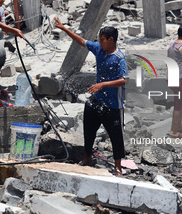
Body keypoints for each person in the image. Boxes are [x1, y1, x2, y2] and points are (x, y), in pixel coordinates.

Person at [54, 17, 128, 175]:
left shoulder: (119, 58)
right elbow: (81, 41)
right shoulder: (99, 49)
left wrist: (103, 84)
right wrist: (63, 28)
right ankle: (87, 158)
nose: (100, 43)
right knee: (89, 131)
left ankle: (118, 165)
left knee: (116, 135)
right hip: (97, 101)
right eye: (99, 40)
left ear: (111, 40)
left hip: (113, 105)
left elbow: (123, 80)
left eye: (103, 40)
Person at [167, 24, 182, 138]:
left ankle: (179, 125)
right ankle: (173, 131)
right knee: (178, 103)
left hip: (171, 77)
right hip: (179, 78)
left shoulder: (172, 44)